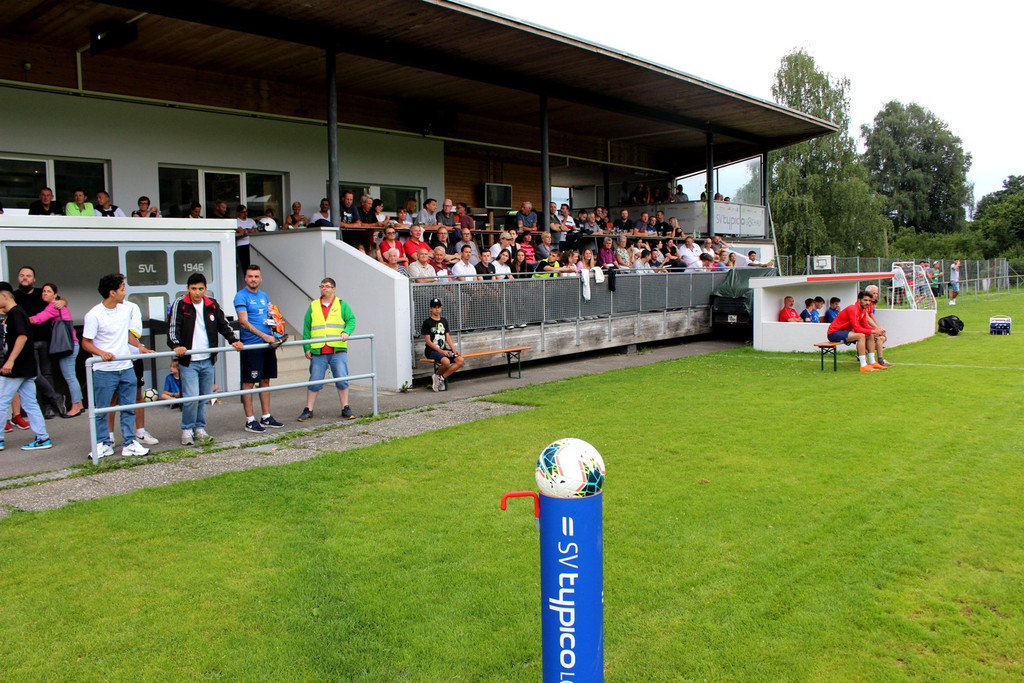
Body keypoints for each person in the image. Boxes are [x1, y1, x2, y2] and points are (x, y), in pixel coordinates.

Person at [81, 273, 154, 459]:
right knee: (102, 409)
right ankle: (103, 444)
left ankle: (129, 443)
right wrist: (101, 353)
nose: (125, 292)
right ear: (112, 292)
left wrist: (140, 348)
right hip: (104, 371)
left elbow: (127, 335)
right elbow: (86, 342)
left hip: (126, 368)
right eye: (122, 289)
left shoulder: (125, 310)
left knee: (128, 407)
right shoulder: (94, 315)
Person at [168, 273, 245, 446]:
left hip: (208, 359)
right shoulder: (180, 304)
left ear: (205, 288)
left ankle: (200, 429)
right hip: (189, 361)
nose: (197, 292)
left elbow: (223, 324)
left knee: (204, 397)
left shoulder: (211, 304)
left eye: (200, 288)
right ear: (188, 289)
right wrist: (176, 345)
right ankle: (187, 429)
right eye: (194, 289)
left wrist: (234, 340)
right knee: (191, 398)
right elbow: (173, 328)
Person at [0, 282, 52, 451]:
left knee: (2, 401)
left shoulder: (16, 313)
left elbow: (21, 337)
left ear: (4, 295)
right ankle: (42, 437)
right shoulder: (16, 313)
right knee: (30, 403)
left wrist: (10, 361)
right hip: (26, 367)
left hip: (17, 368)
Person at [233, 265, 285, 433]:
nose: (253, 279)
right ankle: (249, 420)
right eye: (250, 276)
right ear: (246, 278)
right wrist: (264, 337)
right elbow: (243, 322)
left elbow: (269, 317)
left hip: (267, 345)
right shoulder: (241, 296)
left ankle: (266, 416)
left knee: (265, 381)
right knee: (249, 383)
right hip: (252, 345)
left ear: (260, 278)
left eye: (256, 276)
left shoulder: (263, 296)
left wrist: (276, 329)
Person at [299, 278, 357, 422]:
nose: (323, 289)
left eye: (327, 286)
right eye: (322, 286)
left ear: (334, 289)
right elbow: (307, 327)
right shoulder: (313, 305)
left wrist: (346, 332)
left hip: (337, 348)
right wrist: (306, 347)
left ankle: (345, 407)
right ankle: (308, 409)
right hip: (318, 350)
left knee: (342, 379)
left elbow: (351, 320)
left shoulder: (342, 305)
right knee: (314, 381)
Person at [13, 266, 66, 418]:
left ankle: (49, 408)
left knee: (47, 373)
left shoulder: (41, 293)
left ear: (34, 279)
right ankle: (55, 398)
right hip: (26, 342)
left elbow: (60, 300)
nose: (25, 278)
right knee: (34, 374)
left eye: (28, 276)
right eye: (22, 275)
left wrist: (63, 301)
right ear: (18, 278)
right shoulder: (14, 296)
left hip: (45, 339)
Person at [28, 283, 84, 418]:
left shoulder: (54, 306)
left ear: (55, 294)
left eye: (48, 291)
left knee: (70, 376)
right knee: (71, 375)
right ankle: (79, 403)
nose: (45, 293)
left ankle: (76, 405)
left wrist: (18, 319)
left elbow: (38, 319)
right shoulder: (58, 304)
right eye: (43, 291)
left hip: (68, 346)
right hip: (71, 345)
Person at [826, 291, 886, 372]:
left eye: (869, 301)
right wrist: (874, 331)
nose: (868, 303)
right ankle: (863, 365)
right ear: (859, 300)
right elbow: (857, 328)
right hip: (834, 333)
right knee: (861, 336)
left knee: (869, 335)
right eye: (865, 300)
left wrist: (876, 330)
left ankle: (872, 362)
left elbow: (865, 325)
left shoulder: (863, 310)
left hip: (844, 332)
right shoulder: (853, 309)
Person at [421, 298, 463, 392]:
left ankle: (440, 379)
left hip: (444, 349)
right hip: (432, 351)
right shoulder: (427, 322)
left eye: (439, 307)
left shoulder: (444, 320)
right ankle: (437, 377)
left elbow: (447, 337)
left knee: (460, 360)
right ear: (430, 309)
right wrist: (442, 351)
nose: (437, 309)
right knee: (446, 362)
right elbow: (428, 341)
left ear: (441, 308)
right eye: (434, 307)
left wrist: (453, 349)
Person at [235, 204, 258, 274]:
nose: (246, 214)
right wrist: (248, 230)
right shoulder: (236, 222)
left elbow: (256, 230)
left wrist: (246, 231)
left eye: (246, 212)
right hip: (241, 245)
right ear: (239, 213)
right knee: (245, 266)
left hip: (251, 244)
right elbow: (240, 231)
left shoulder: (251, 221)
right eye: (243, 212)